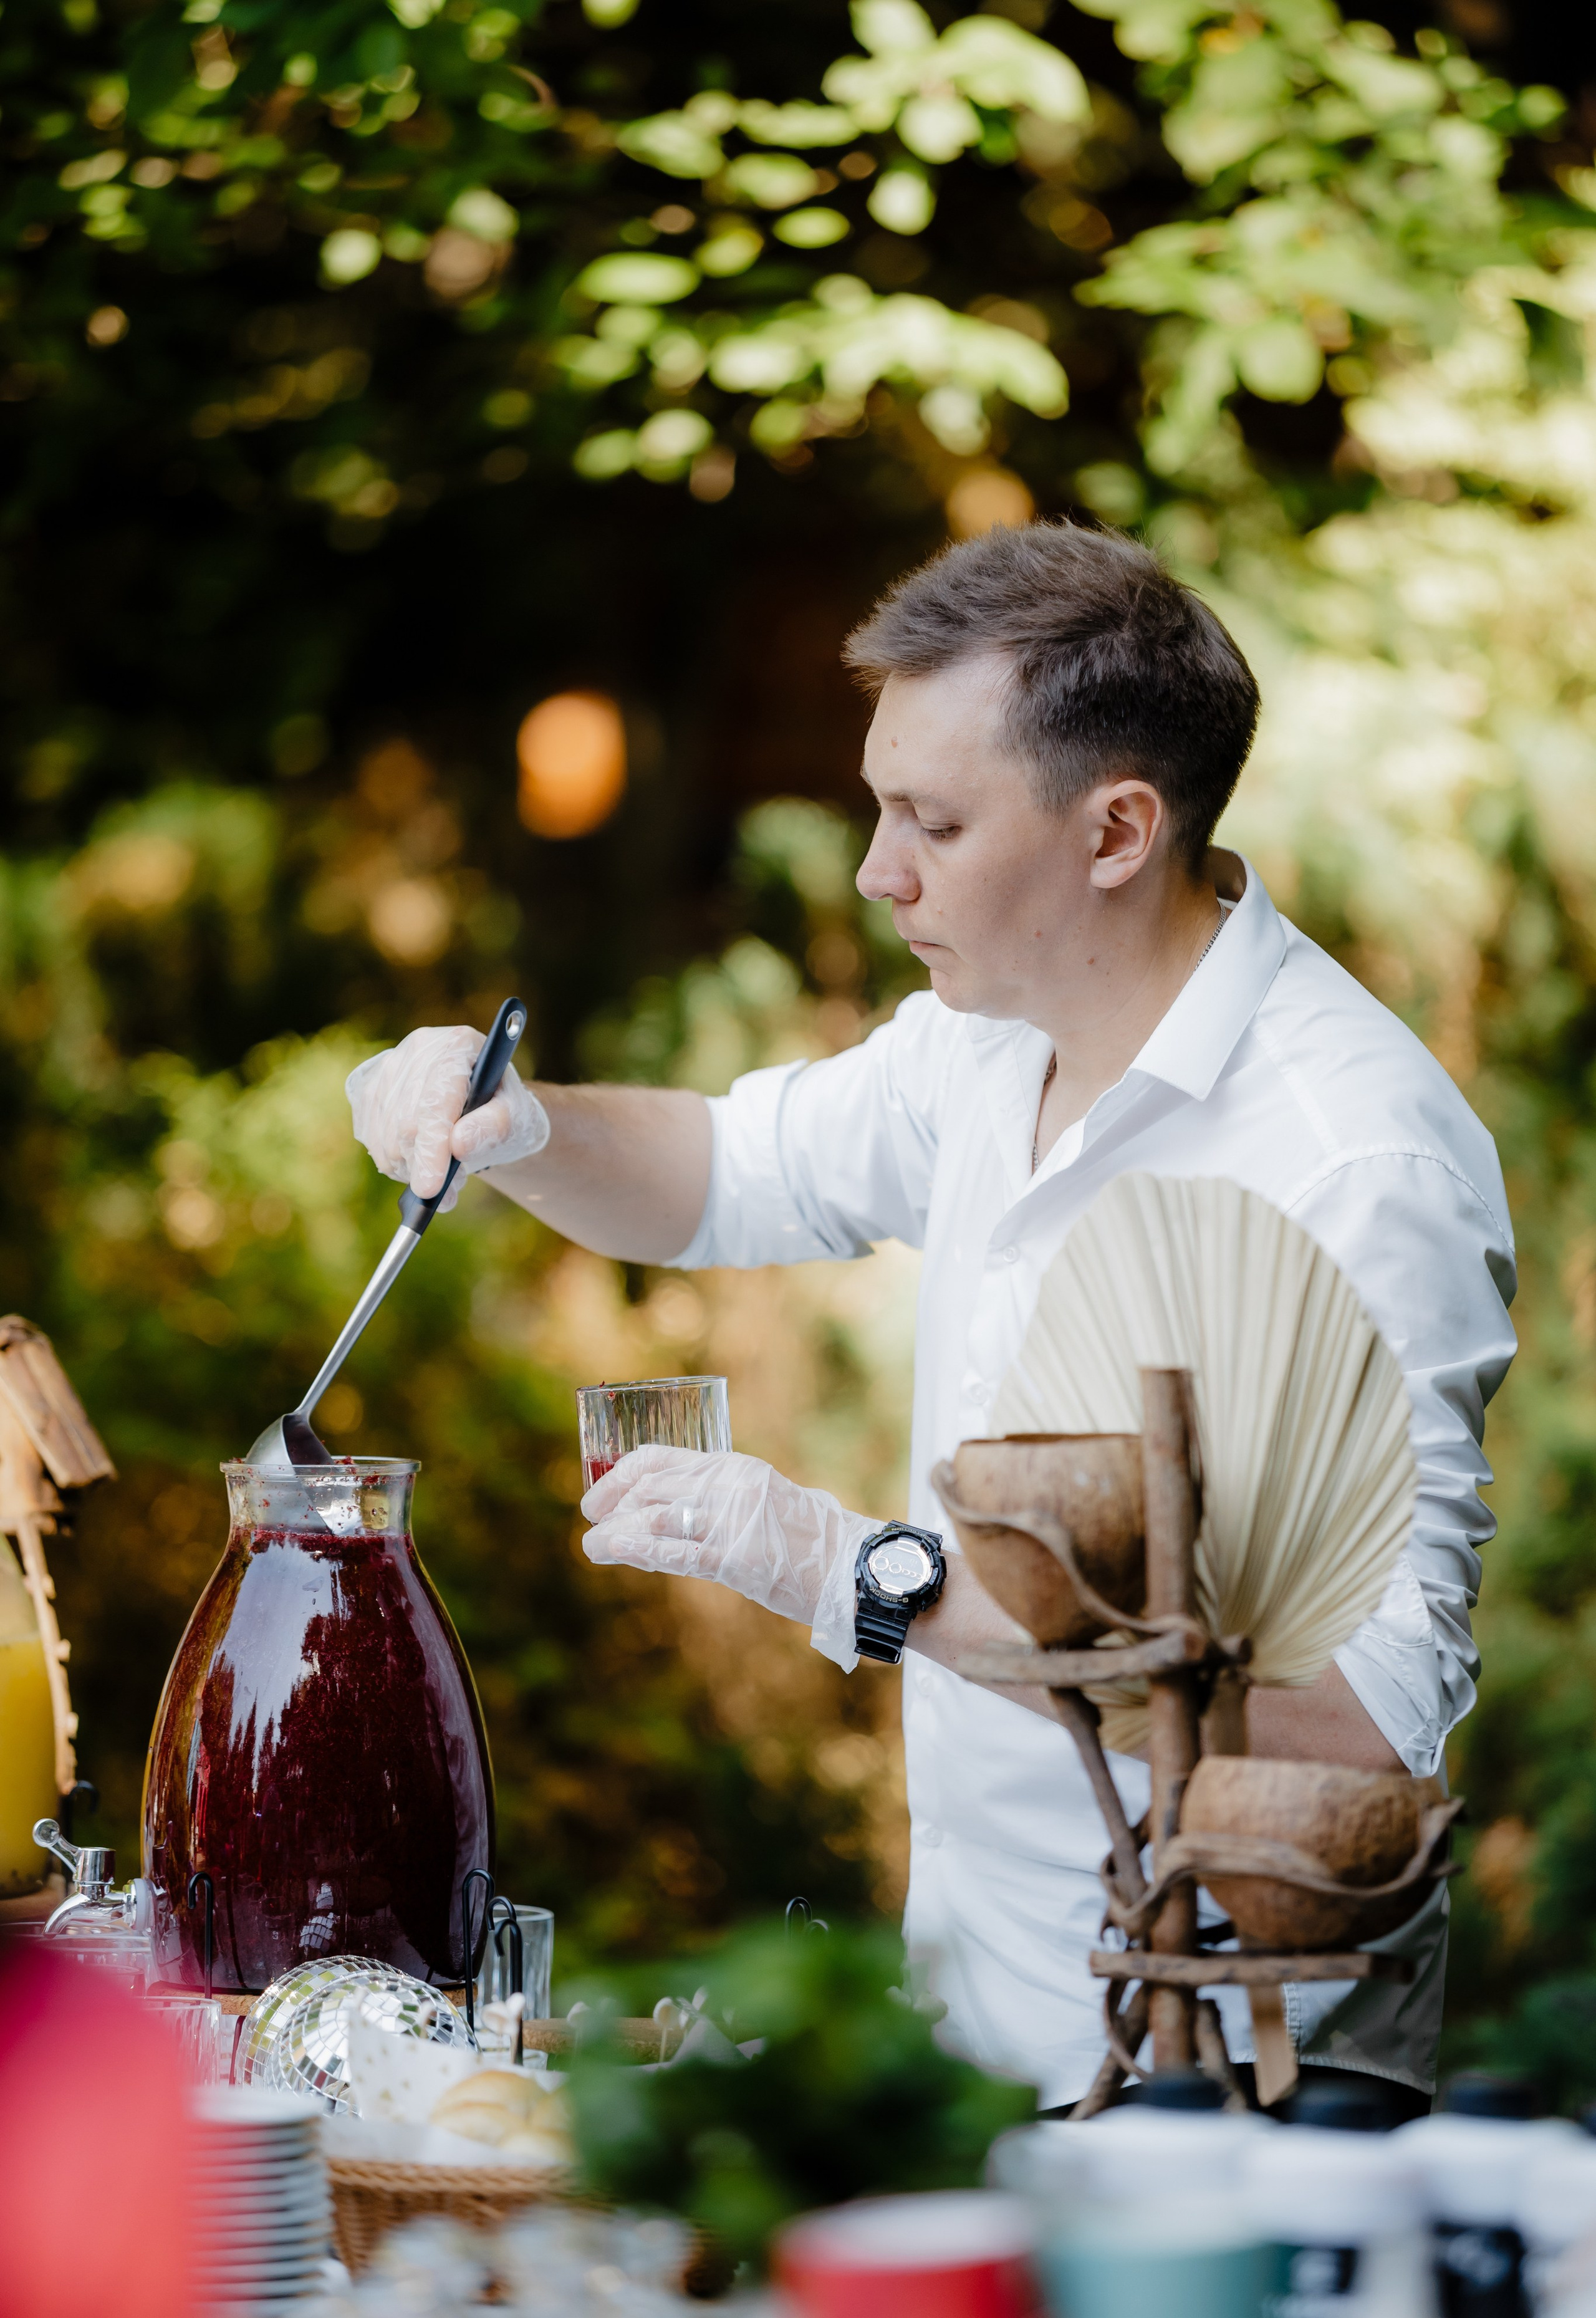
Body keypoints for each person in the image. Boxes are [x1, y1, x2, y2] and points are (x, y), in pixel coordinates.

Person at [345, 522, 1515, 2114]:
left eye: (932, 822)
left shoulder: (1346, 1160)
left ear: (1117, 830)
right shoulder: (986, 1041)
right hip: (977, 2017)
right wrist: (516, 1123)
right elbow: (720, 1170)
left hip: (1249, 2064)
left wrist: (863, 1576)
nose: (873, 871)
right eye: (879, 806)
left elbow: (1360, 1731)